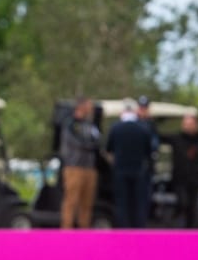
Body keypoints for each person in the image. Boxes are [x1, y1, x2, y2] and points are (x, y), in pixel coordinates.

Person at [105, 100, 154, 228]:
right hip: (139, 172)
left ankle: (123, 230)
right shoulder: (144, 129)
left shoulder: (115, 128)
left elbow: (109, 149)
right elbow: (149, 151)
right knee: (138, 204)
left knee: (122, 204)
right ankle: (138, 231)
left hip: (120, 172)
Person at [59, 97, 100, 228]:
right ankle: (67, 229)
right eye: (88, 106)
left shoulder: (90, 125)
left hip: (89, 167)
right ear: (81, 106)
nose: (90, 109)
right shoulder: (71, 124)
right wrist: (89, 145)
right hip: (74, 166)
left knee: (87, 202)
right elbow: (77, 142)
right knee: (71, 200)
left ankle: (84, 229)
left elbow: (97, 141)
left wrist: (91, 145)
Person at [163, 114, 198, 227]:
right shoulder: (177, 139)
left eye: (190, 124)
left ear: (196, 125)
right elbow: (160, 137)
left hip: (194, 182)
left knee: (192, 209)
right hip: (179, 181)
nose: (187, 126)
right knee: (182, 203)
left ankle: (191, 234)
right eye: (185, 124)